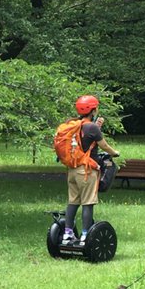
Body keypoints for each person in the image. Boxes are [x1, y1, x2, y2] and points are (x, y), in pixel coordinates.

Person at [61, 94, 120, 244]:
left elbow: (85, 141)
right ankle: (85, 235)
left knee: (73, 202)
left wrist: (97, 126)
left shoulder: (74, 124)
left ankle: (67, 234)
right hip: (86, 171)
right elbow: (103, 145)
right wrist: (115, 153)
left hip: (72, 170)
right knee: (88, 203)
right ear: (92, 110)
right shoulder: (91, 127)